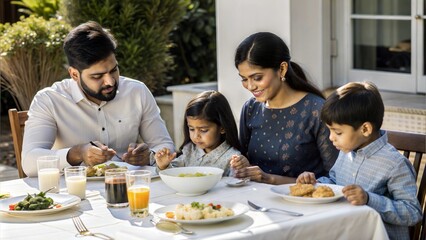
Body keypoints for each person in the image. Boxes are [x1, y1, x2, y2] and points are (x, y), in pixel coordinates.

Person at [21, 21, 175, 177]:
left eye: (114, 70)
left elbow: (165, 145)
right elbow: (29, 163)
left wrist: (149, 156)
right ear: (74, 74)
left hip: (130, 187)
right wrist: (76, 153)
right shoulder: (49, 100)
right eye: (97, 76)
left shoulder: (137, 91)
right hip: (74, 193)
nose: (110, 81)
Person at [296, 82, 422, 239]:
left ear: (365, 129)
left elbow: (412, 212)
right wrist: (315, 184)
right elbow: (334, 182)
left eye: (338, 132)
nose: (331, 138)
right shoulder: (346, 152)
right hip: (345, 231)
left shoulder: (395, 164)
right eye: (330, 130)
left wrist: (369, 199)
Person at [230, 32, 338, 184]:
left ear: (282, 69)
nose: (250, 86)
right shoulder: (250, 109)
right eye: (244, 79)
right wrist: (241, 164)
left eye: (257, 78)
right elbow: (245, 162)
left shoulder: (316, 110)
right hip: (257, 203)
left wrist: (269, 179)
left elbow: (336, 178)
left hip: (305, 203)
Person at [154, 90, 243, 176]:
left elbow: (236, 184)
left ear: (222, 128)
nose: (196, 136)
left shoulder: (232, 158)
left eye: (203, 130)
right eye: (191, 129)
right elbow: (173, 174)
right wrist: (163, 165)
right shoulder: (190, 150)